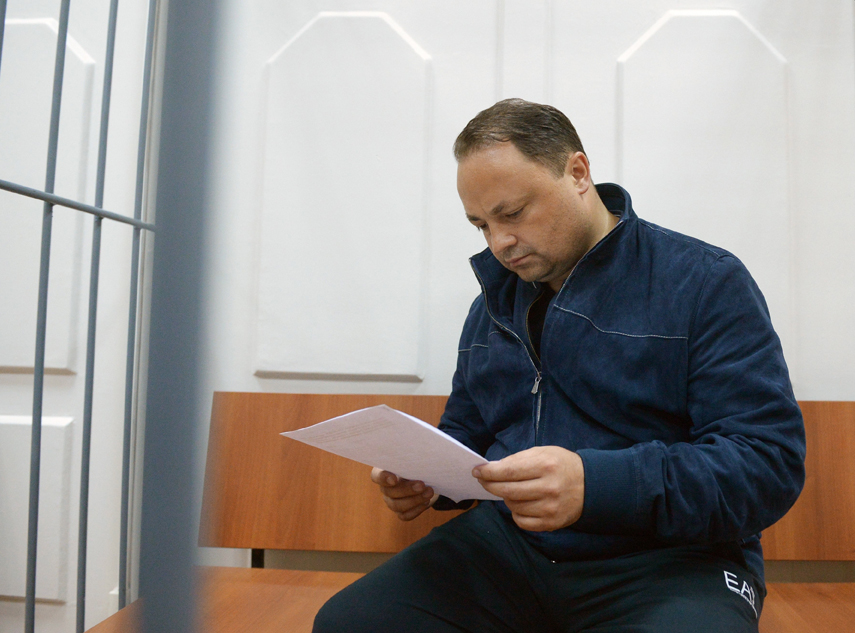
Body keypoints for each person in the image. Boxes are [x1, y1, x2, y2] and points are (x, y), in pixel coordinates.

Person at [313, 98, 805, 632]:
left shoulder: (705, 282)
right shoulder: (492, 304)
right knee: (348, 623)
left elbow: (766, 465)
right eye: (480, 225)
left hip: (674, 559)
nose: (499, 243)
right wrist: (427, 477)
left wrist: (595, 485)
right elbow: (467, 432)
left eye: (512, 213)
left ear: (577, 172)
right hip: (509, 549)